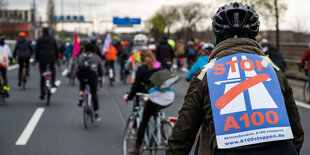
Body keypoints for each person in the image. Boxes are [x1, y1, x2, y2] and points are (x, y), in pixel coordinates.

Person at [167, 2, 304, 155]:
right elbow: (296, 133)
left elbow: (181, 137)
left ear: (217, 36)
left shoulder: (205, 73)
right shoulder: (273, 69)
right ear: (254, 34)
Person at [124, 50, 174, 154]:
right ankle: (161, 131)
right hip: (169, 96)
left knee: (144, 121)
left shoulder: (142, 69)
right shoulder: (160, 66)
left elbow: (136, 86)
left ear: (141, 59)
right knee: (156, 113)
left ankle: (136, 149)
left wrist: (129, 97)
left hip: (155, 96)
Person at [77, 42, 103, 122]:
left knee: (82, 81)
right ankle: (96, 115)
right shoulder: (97, 57)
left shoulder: (81, 56)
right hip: (92, 75)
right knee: (94, 93)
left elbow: (77, 65)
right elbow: (100, 70)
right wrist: (100, 77)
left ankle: (81, 96)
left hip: (80, 73)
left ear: (84, 49)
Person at [35, 27, 58, 100]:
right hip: (51, 58)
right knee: (52, 69)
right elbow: (56, 49)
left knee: (42, 76)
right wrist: (57, 57)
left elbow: (36, 50)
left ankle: (42, 94)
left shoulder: (39, 40)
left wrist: (36, 59)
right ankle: (53, 82)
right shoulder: (52, 39)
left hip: (42, 59)